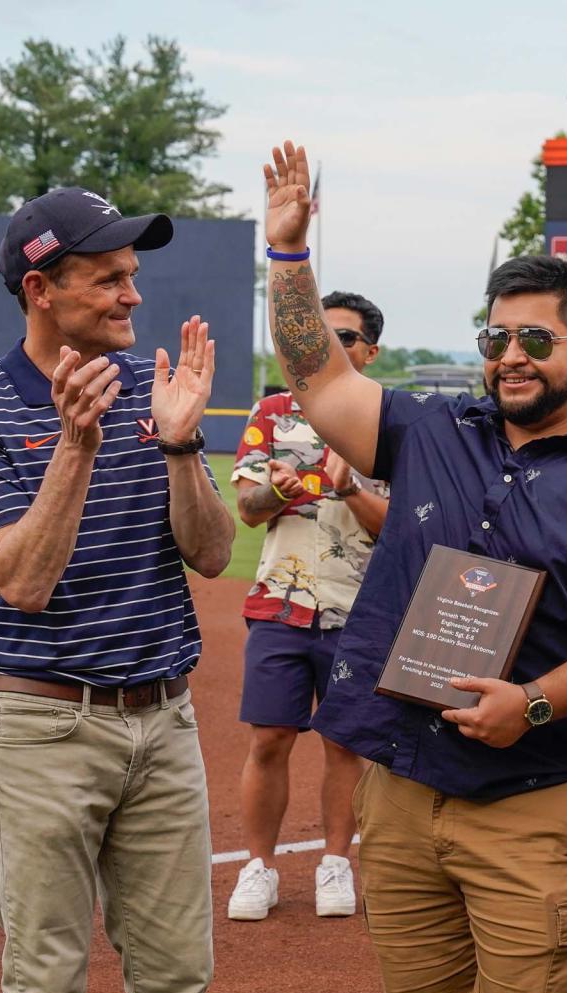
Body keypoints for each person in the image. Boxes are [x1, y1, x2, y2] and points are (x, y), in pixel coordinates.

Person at [263, 140, 567, 993]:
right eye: (495, 338)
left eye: (535, 339)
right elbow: (317, 375)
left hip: (533, 793)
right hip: (403, 784)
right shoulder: (434, 430)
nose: (511, 356)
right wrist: (290, 257)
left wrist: (532, 702)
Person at [0, 186, 236, 993]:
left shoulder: (156, 389)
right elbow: (20, 581)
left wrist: (180, 447)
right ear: (42, 291)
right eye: (108, 279)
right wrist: (76, 443)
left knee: (179, 982)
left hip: (163, 722)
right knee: (46, 986)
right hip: (38, 730)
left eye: (133, 276)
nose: (132, 295)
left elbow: (211, 555)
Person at [226, 289, 392, 922]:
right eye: (321, 333)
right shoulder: (272, 412)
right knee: (268, 738)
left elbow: (396, 527)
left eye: (344, 337)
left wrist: (348, 489)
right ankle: (259, 867)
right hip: (280, 603)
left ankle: (334, 863)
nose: (329, 345)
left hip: (359, 609)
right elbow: (247, 510)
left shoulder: (389, 422)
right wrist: (276, 491)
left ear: (370, 351)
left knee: (344, 745)